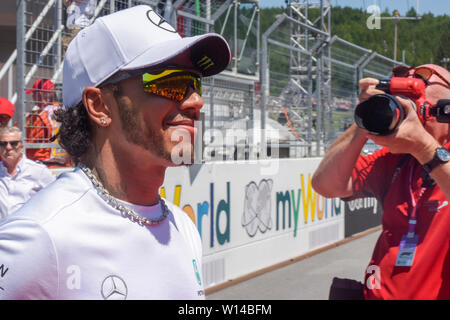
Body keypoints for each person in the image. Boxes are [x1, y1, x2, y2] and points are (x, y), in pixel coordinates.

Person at [0, 5, 230, 299]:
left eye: (194, 83)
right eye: (172, 83)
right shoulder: (42, 234)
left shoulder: (182, 226)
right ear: (99, 106)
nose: (195, 101)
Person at [312, 64, 450, 300]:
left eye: (418, 109)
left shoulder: (419, 149)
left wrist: (424, 147)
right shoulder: (397, 160)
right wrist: (366, 118)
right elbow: (326, 184)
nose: (411, 119)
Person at [0, 126, 55, 220]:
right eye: (3, 144)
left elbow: (55, 199)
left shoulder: (39, 171)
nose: (8, 147)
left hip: (27, 230)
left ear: (21, 146)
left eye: (13, 143)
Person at [25, 78, 69, 166]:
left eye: (34, 94)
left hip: (43, 164)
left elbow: (27, 139)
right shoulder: (64, 111)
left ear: (40, 94)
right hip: (64, 162)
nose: (33, 97)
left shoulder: (41, 115)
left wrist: (26, 121)